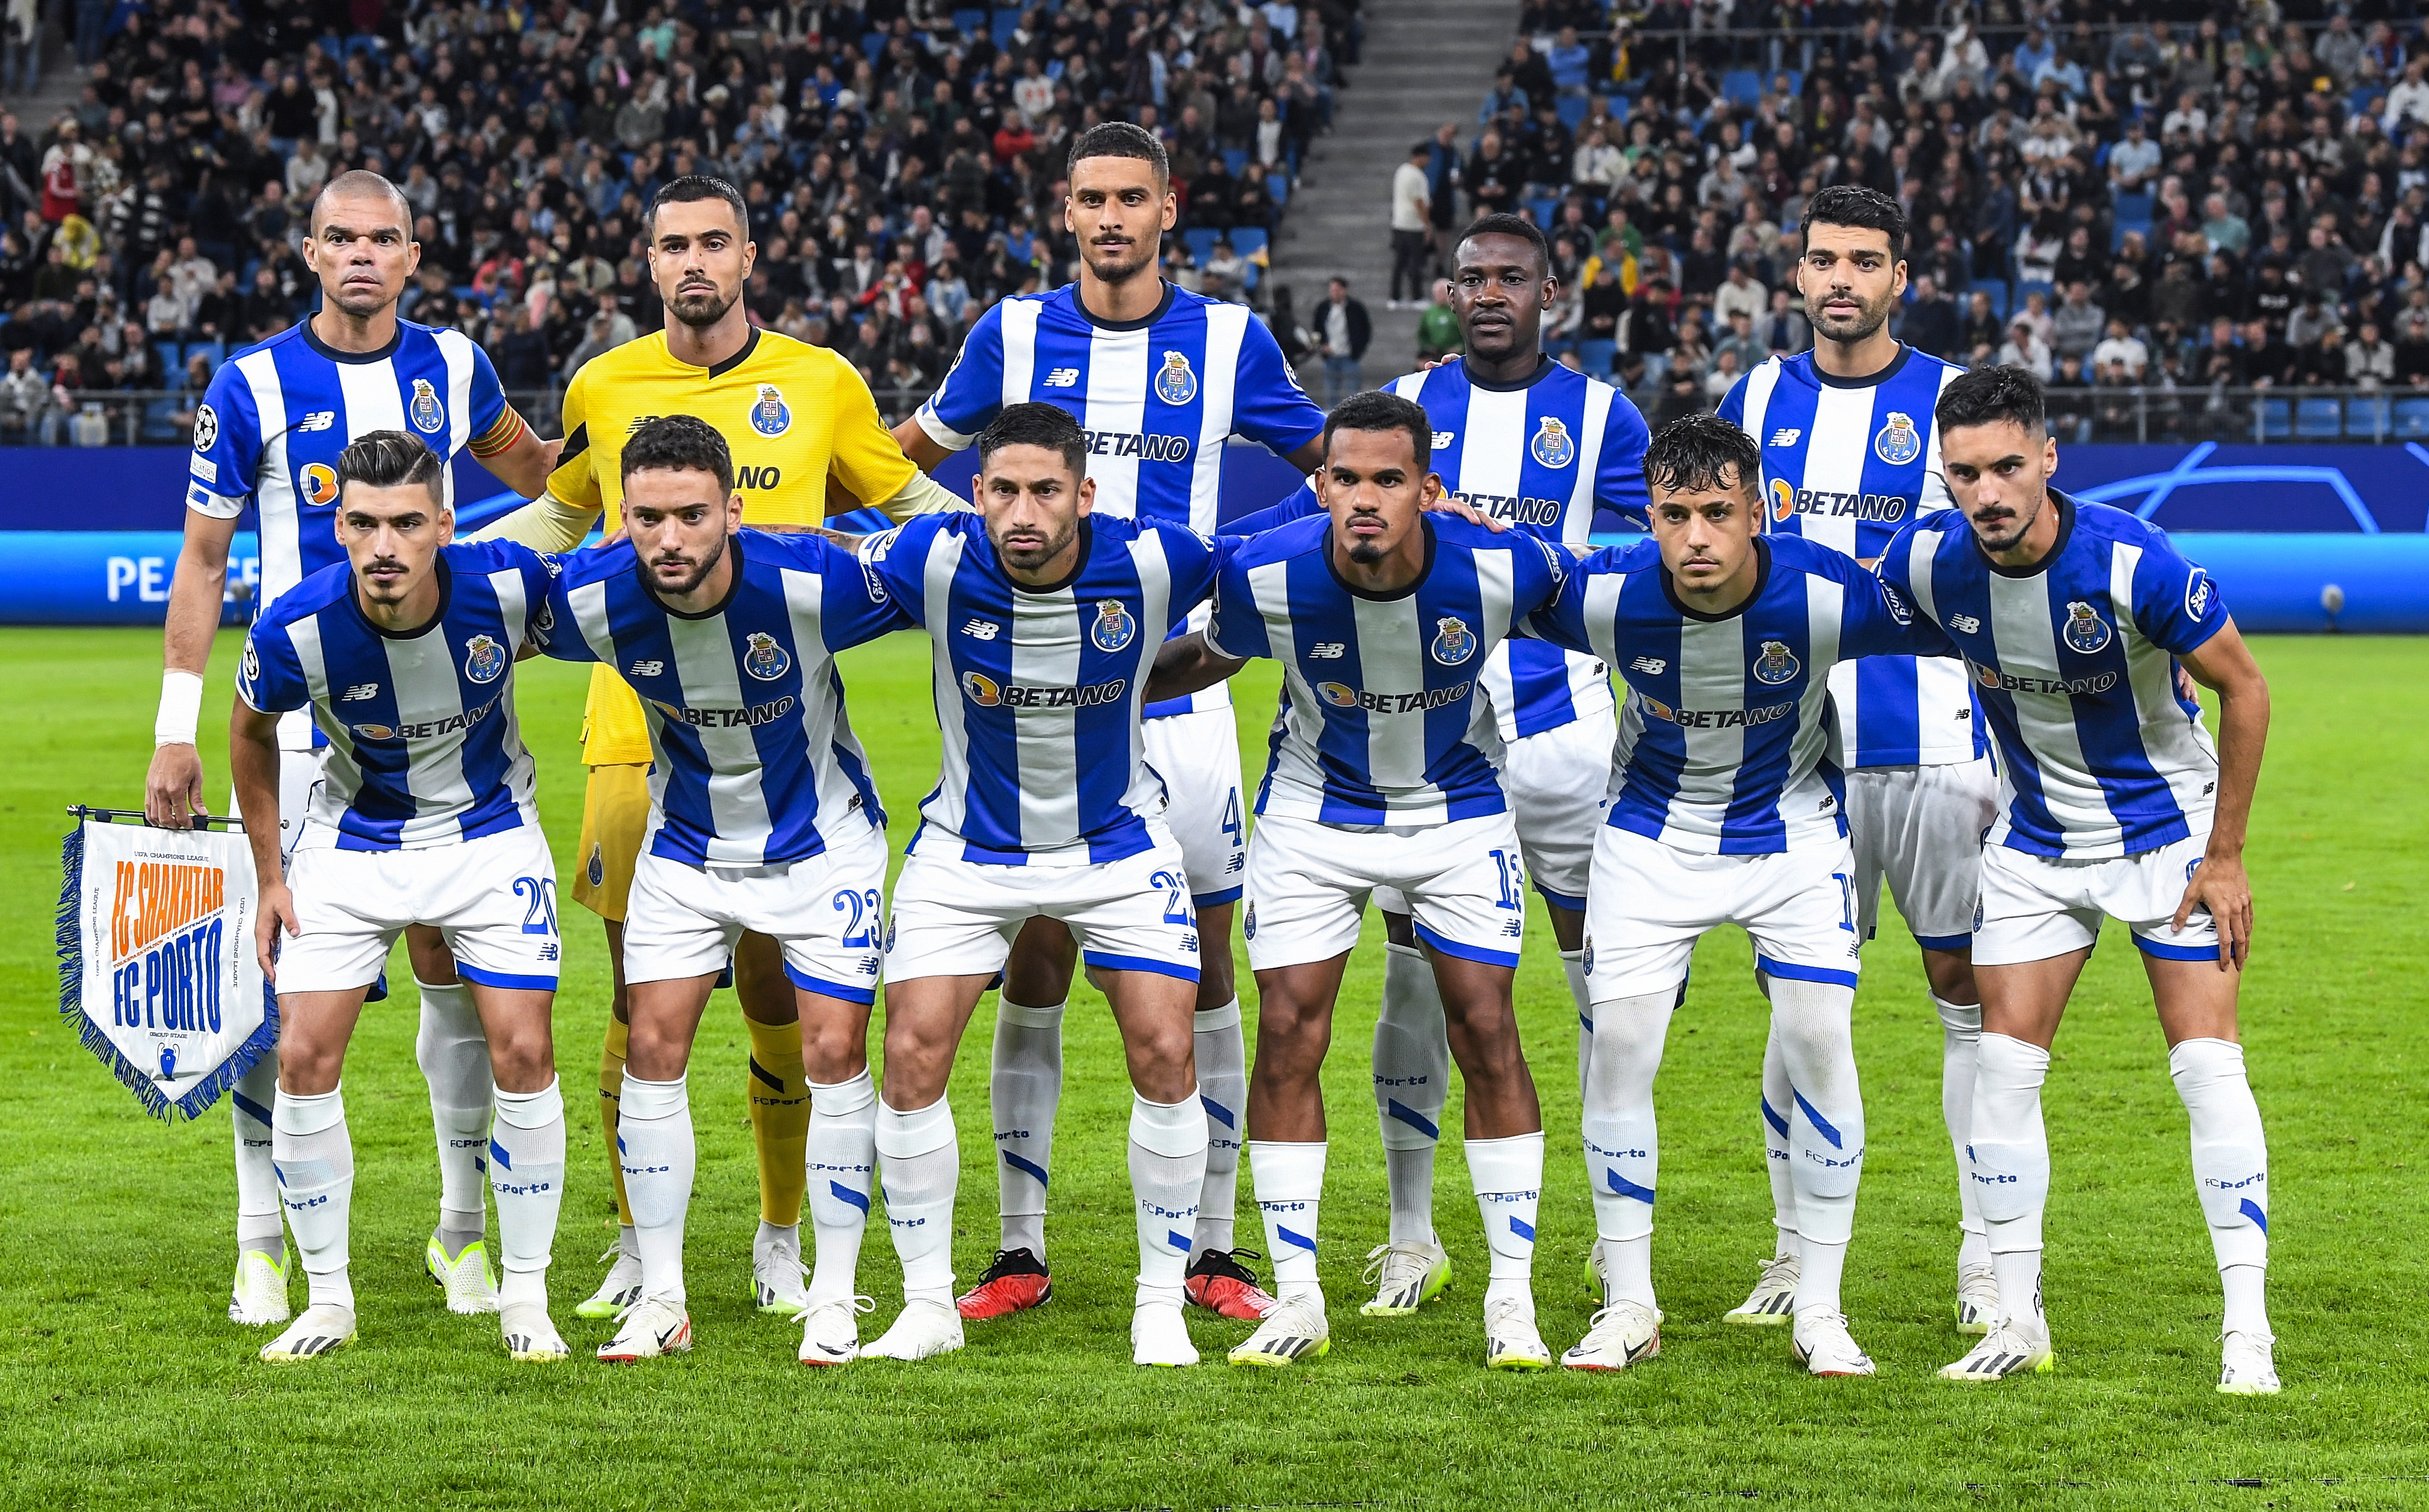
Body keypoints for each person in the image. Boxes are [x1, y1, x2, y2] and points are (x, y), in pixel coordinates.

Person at [892, 122, 1328, 1324]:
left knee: (1205, 970)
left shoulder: (1232, 339)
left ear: (1168, 208)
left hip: (1174, 696)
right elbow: (896, 465)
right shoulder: (1010, 334)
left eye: (1132, 198)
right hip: (1028, 693)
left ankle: (1214, 1247)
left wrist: (1254, 577)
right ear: (1065, 210)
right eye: (1092, 199)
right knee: (1033, 948)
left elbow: (1331, 464)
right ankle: (1017, 1250)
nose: (1111, 219)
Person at [540, 173, 962, 1326]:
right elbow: (559, 519)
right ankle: (639, 1247)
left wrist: (1021, 543)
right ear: (647, 256)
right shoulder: (604, 382)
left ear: (748, 254)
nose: (693, 262)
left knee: (780, 984)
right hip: (636, 735)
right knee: (640, 999)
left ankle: (784, 1234)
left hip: (784, 739)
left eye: (713, 242)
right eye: (673, 243)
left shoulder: (822, 382)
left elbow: (911, 497)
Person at [147, 170, 562, 1331]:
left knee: (456, 977)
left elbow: (544, 476)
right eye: (342, 238)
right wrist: (177, 732)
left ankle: (461, 1233)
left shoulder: (457, 367)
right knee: (268, 999)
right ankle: (260, 1244)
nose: (363, 256)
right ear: (310, 251)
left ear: (414, 254)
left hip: (442, 713)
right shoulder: (249, 387)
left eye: (383, 239)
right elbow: (198, 563)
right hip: (290, 727)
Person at [1227, 212, 1650, 1317]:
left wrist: (1500, 542)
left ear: (1549, 289)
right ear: (1447, 291)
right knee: (1416, 984)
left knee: (1596, 984)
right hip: (1409, 740)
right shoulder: (1407, 405)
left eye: (1511, 276)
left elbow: (1637, 556)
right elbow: (1305, 512)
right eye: (1472, 277)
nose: (1490, 293)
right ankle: (1412, 1236)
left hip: (1557, 732)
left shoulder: (1603, 413)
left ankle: (1616, 1239)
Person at [1147, 390, 1570, 1371]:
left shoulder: (1507, 567)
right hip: (1314, 813)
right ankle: (1297, 1296)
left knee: (1486, 1026)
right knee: (1291, 1028)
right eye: (1345, 478)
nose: (1364, 498)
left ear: (1430, 488)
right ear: (1321, 484)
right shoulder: (1267, 572)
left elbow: (1619, 618)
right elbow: (1201, 657)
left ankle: (1510, 1299)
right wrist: (1093, 686)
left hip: (1457, 813)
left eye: (1389, 479)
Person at [1525, 413, 1955, 1378]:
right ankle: (1627, 1303)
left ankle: (1821, 1307)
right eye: (1674, 514)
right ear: (1648, 514)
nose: (1697, 538)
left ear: (1757, 510)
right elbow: (1479, 576)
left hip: (1792, 832)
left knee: (1816, 1038)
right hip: (1647, 837)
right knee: (1621, 1048)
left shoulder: (1824, 590)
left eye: (1718, 512)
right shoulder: (1603, 592)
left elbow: (1966, 614)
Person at [1882, 366, 2279, 1395]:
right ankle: (2016, 1317)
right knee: (2003, 1073)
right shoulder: (1925, 561)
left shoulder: (2128, 560)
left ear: (2047, 459)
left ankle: (2246, 1331)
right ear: (1944, 475)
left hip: (2163, 835)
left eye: (2008, 465)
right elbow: (1840, 612)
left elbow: (2243, 687)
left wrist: (2223, 853)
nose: (1988, 492)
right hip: (2037, 842)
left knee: (2204, 1067)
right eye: (1964, 472)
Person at [851, 403, 1230, 1368]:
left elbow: (1270, 565)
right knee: (909, 1052)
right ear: (975, 494)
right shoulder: (931, 558)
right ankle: (927, 1301)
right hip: (967, 844)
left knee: (1162, 1043)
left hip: (1114, 840)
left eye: (1045, 491)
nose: (1023, 511)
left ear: (1083, 496)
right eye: (1004, 490)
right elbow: (798, 557)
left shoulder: (1153, 559)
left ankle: (1158, 1303)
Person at [528, 416, 904, 1365]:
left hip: (822, 851)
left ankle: (831, 1292)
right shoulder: (594, 599)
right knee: (651, 1046)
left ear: (732, 513)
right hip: (686, 851)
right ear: (620, 519)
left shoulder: (815, 582)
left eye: (692, 515)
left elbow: (947, 572)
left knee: (831, 1051)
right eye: (647, 517)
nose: (669, 538)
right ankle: (661, 1299)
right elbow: (480, 603)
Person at [1714, 185, 1999, 1333]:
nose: (1841, 278)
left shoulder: (1946, 404)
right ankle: (1789, 1254)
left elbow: (2008, 554)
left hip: (1934, 750)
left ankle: (1985, 1254)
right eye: (1824, 258)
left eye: (1864, 260)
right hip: (1789, 765)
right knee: (1795, 1006)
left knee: (1964, 998)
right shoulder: (1755, 397)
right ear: (1797, 273)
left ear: (1900, 276)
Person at [231, 431, 569, 1364]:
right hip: (353, 842)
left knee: (526, 1049)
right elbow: (251, 736)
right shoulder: (293, 629)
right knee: (302, 1055)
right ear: (338, 525)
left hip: (490, 832)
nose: (385, 546)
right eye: (366, 523)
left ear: (444, 527)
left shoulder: (509, 587)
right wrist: (270, 873)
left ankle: (525, 1298)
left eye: (408, 524)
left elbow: (628, 608)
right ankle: (328, 1300)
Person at [1390, 143, 1432, 309]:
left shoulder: (1401, 171)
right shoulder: (1417, 176)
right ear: (1421, 157)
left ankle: (1395, 297)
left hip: (1399, 223)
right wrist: (1427, 225)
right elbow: (1419, 202)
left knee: (1399, 262)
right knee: (1415, 261)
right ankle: (1417, 297)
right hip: (1413, 225)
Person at [1320, 277, 1372, 404]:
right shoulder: (1323, 308)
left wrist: (1358, 349)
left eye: (1337, 290)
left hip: (1349, 355)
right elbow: (1318, 328)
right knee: (1331, 391)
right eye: (1332, 290)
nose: (1334, 293)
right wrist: (1323, 346)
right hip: (1331, 355)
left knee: (1353, 392)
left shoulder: (1356, 309)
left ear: (1344, 290)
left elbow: (1365, 330)